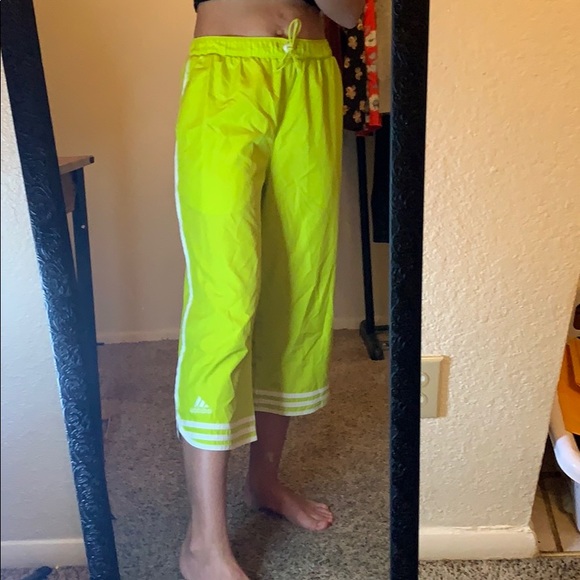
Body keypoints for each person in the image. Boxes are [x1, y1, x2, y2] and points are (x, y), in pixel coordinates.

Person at [174, 1, 364, 578]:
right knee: (224, 301)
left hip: (311, 73)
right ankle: (203, 542)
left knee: (297, 295)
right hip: (226, 72)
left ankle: (264, 481)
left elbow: (347, 13)